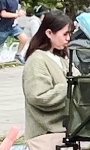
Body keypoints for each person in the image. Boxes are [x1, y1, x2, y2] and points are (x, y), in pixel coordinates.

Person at [22, 11, 72, 139]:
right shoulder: (37, 60)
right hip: (45, 134)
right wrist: (69, 87)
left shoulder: (62, 58)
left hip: (63, 130)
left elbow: (80, 82)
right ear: (49, 33)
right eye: (65, 34)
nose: (68, 38)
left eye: (69, 34)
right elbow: (38, 96)